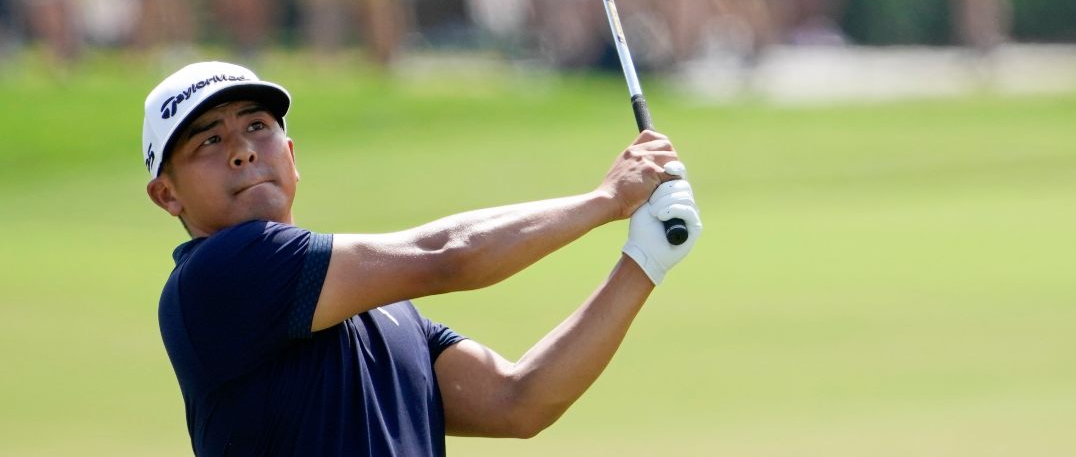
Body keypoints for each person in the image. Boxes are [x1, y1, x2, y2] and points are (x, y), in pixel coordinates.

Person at [142, 61, 702, 455]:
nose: (241, 149)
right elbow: (447, 256)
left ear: (291, 156)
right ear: (167, 194)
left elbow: (518, 400)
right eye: (208, 142)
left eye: (257, 127)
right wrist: (606, 200)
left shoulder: (385, 311)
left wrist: (644, 262)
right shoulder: (217, 276)